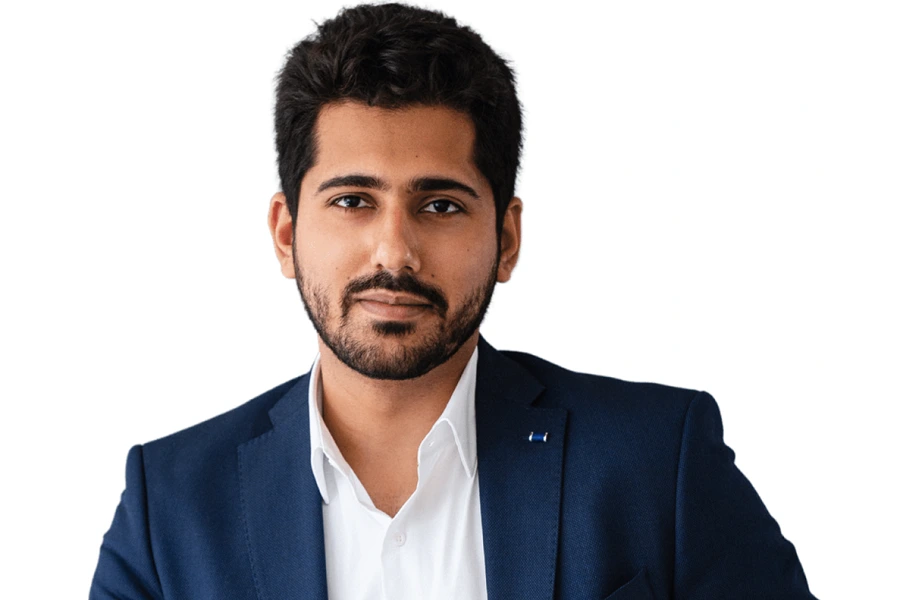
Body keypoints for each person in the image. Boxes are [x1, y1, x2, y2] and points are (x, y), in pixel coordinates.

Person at [90, 3, 817, 599]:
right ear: (286, 233)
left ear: (505, 238)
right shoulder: (171, 510)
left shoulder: (659, 463)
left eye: (439, 206)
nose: (394, 252)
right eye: (352, 200)